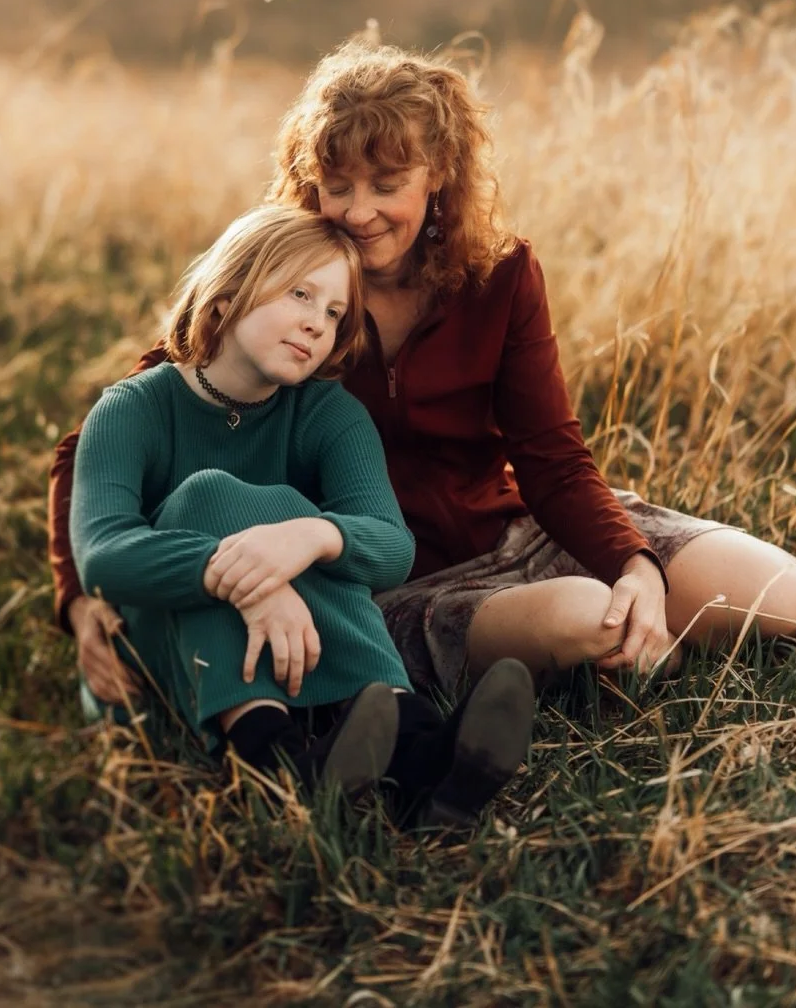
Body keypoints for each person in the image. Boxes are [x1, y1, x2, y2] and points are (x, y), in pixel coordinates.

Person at [53, 38, 796, 707]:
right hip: (383, 574)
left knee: (785, 600)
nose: (358, 211)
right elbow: (112, 426)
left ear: (439, 177)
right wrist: (82, 598)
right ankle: (558, 654)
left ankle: (605, 641)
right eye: (338, 184)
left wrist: (638, 565)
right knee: (589, 617)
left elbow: (553, 456)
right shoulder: (286, 288)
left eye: (387, 185)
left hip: (518, 525)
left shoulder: (501, 274)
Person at [70, 203, 535, 823]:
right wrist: (239, 577)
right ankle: (269, 761)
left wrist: (308, 538)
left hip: (292, 656)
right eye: (300, 294)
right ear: (229, 289)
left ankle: (420, 758)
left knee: (316, 527)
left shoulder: (328, 413)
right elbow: (103, 555)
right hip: (160, 662)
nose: (317, 324)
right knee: (209, 496)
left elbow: (391, 549)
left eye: (335, 312)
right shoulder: (134, 409)